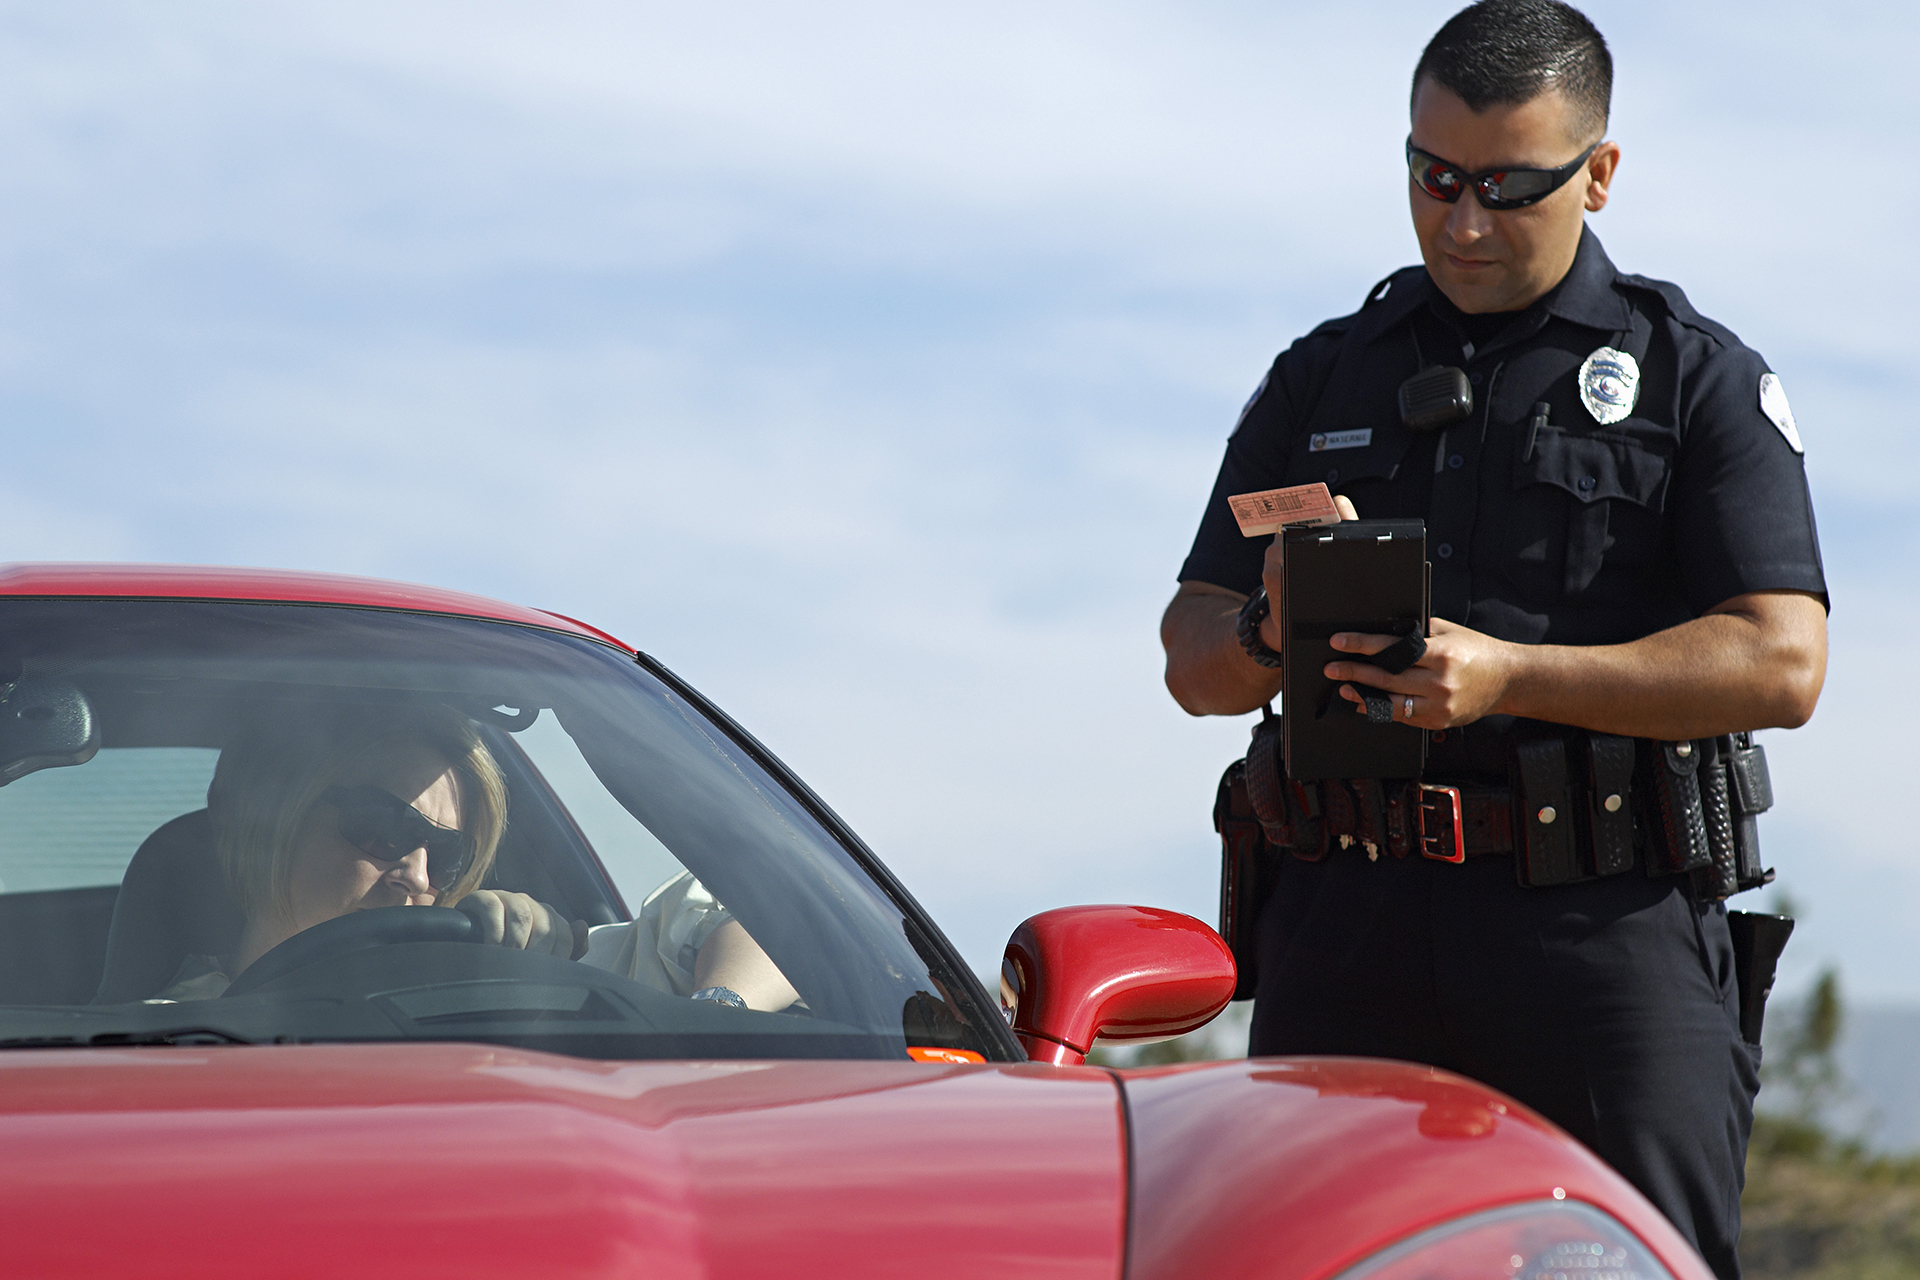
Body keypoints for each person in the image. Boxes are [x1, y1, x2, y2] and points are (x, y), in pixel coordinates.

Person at [1159, 4, 1826, 1277]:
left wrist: (1513, 675)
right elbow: (1191, 653)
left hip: (1599, 933)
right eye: (1434, 177)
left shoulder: (1694, 378)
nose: (1462, 221)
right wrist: (1265, 625)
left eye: (1509, 188)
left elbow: (1781, 660)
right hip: (1343, 920)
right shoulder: (1322, 378)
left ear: (1602, 174)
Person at [161, 701, 795, 1013]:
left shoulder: (506, 990)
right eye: (383, 828)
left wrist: (712, 1021)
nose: (418, 874)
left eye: (448, 851)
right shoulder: (157, 1036)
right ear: (268, 819)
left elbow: (780, 915)